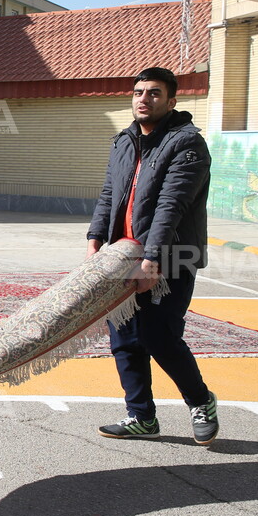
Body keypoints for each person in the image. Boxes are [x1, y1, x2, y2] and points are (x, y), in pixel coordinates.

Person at [88, 67, 219, 445]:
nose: (143, 99)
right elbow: (109, 193)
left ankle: (200, 401)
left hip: (172, 257)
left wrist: (153, 259)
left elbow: (171, 205)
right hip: (121, 255)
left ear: (172, 101)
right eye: (138, 93)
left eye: (154, 93)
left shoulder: (187, 144)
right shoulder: (124, 140)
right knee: (125, 339)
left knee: (159, 337)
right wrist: (96, 236)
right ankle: (141, 417)